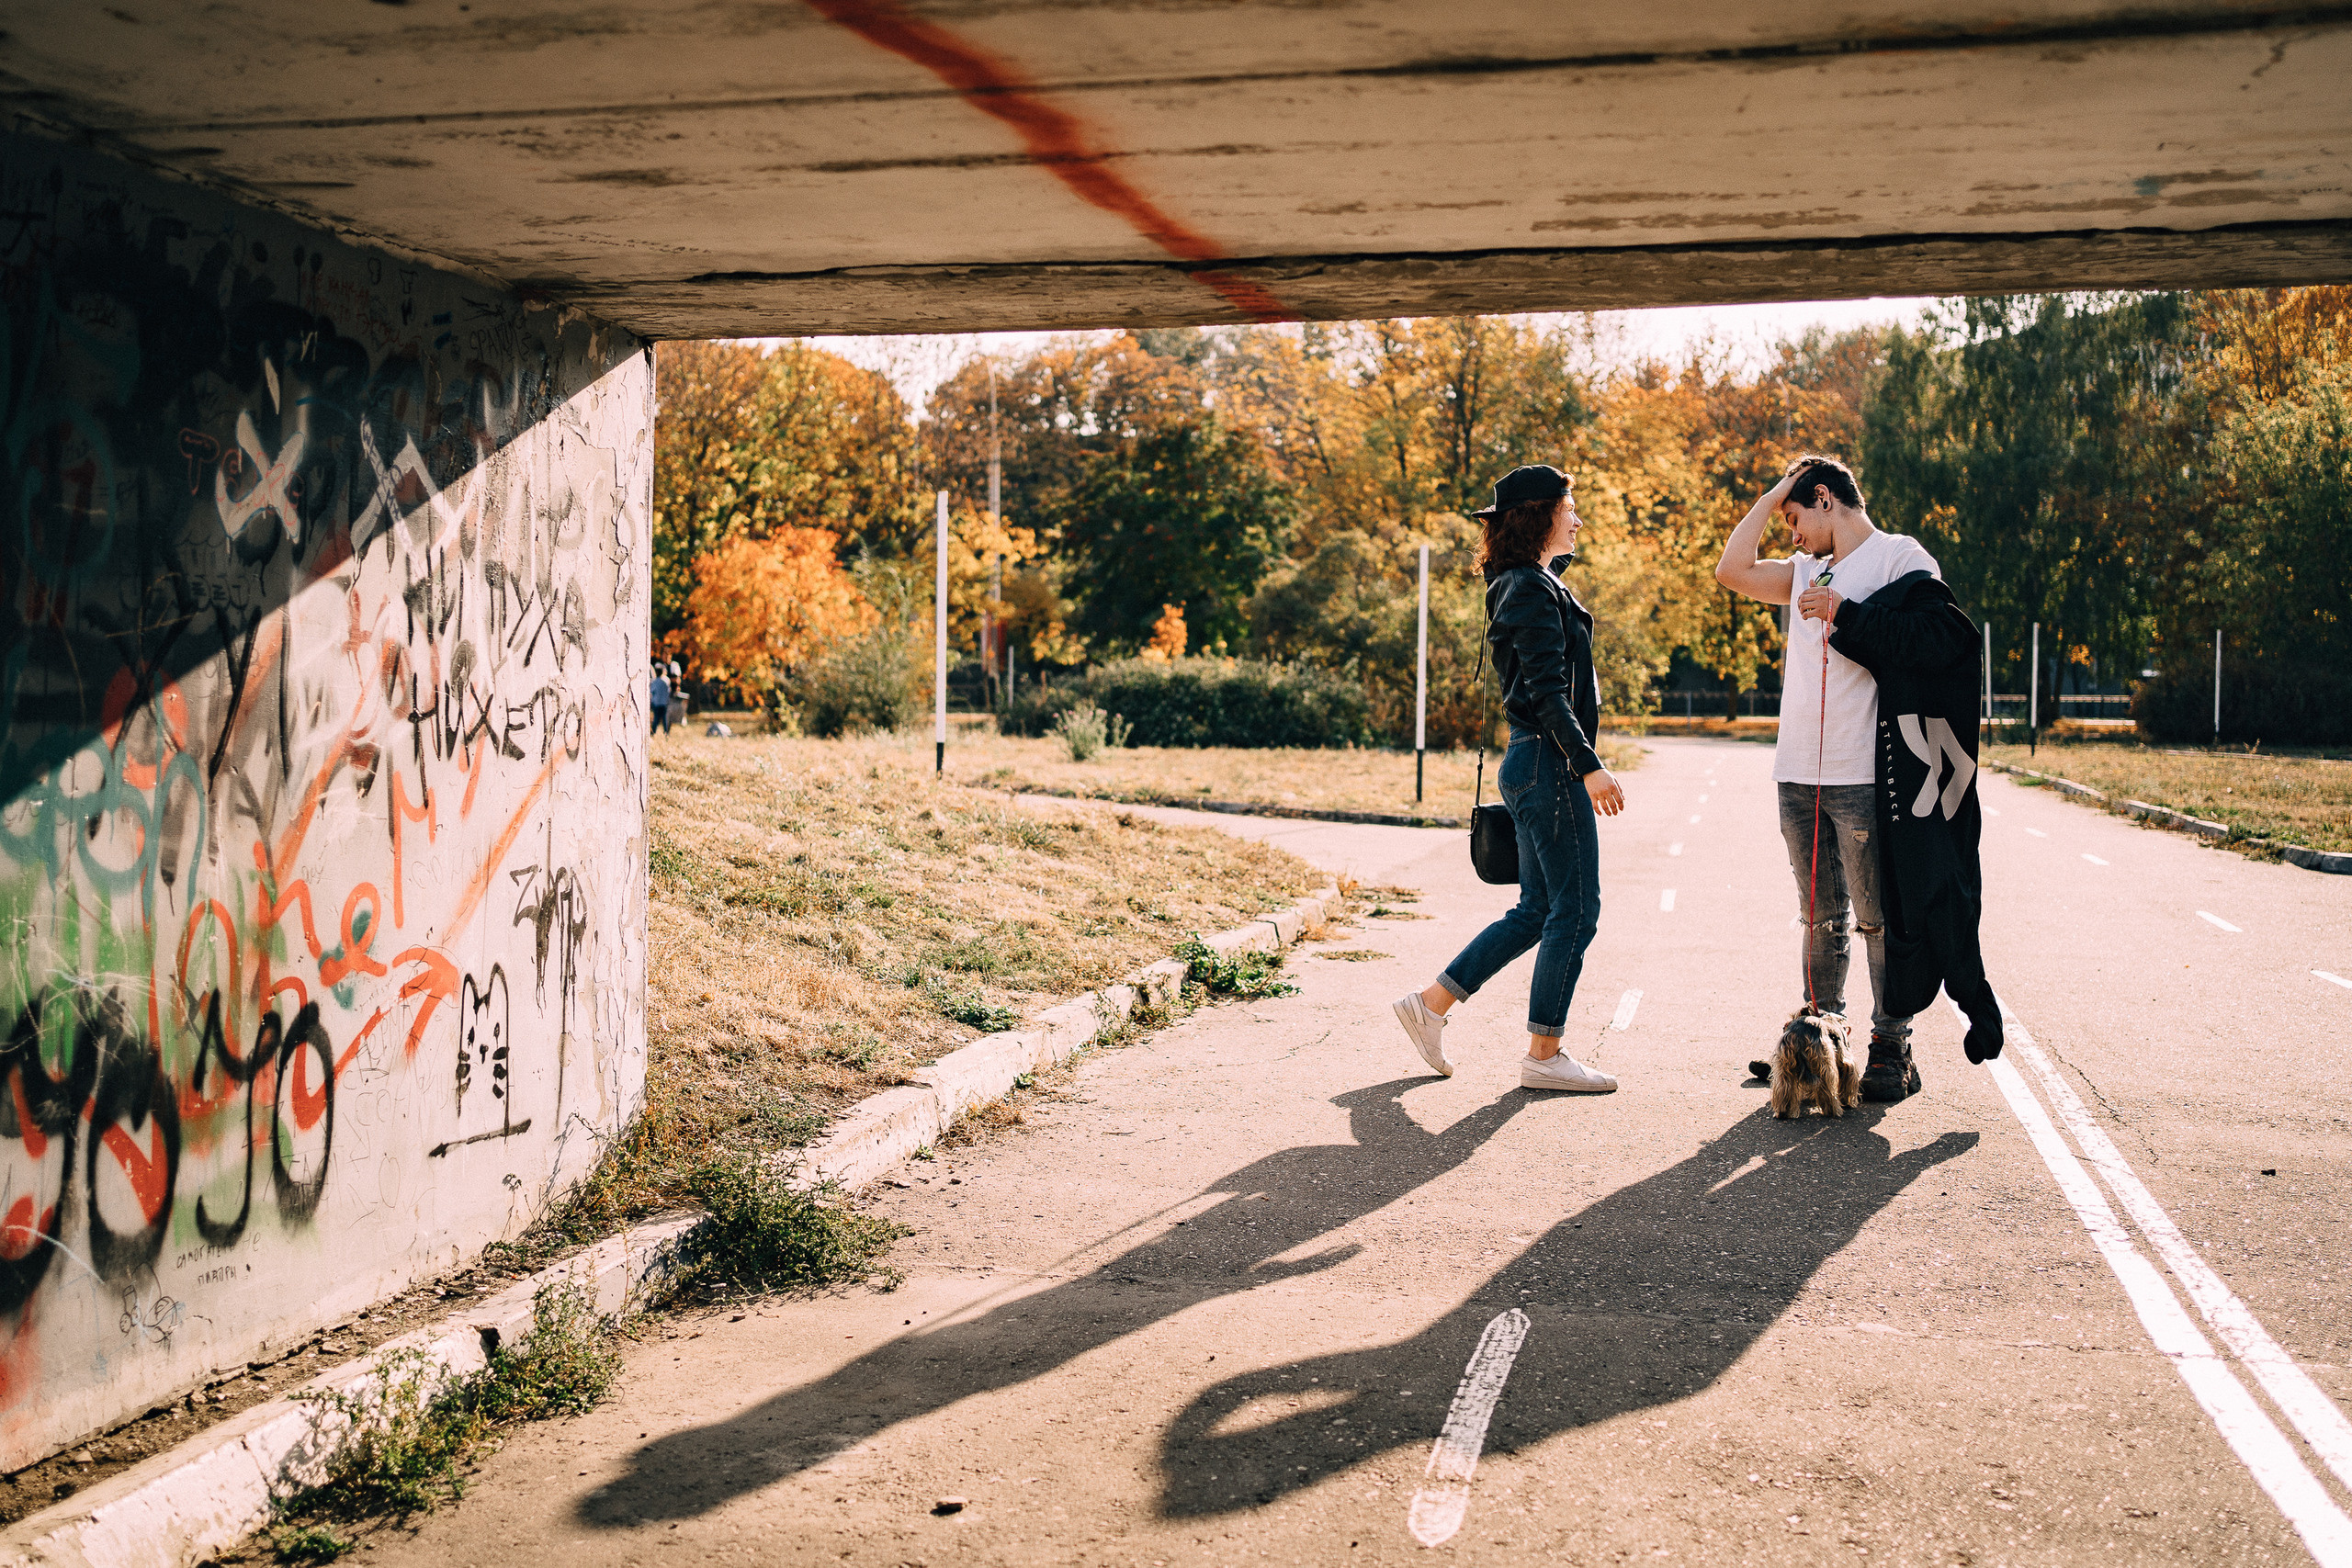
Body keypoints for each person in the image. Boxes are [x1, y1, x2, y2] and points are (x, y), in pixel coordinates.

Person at [1392, 464, 1626, 1094]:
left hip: (1533, 761)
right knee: (1575, 912)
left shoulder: (1528, 582)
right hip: (1548, 763)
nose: (1577, 519)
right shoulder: (1526, 588)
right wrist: (1590, 765)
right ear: (1540, 515)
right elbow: (1550, 695)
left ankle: (1429, 1004)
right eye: (1568, 509)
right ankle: (1544, 1053)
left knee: (1537, 911)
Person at [1713, 455, 1939, 1101]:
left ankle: (1891, 1045)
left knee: (1874, 918)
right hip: (1797, 773)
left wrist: (1846, 611)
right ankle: (1820, 1044)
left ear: (1826, 499)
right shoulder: (1804, 570)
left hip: (1862, 771)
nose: (1790, 535)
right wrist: (1773, 492)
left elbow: (1930, 633)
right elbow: (1731, 570)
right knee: (1818, 919)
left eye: (1793, 518)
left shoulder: (1900, 557)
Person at [650, 663, 672, 735]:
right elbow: (669, 691)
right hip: (664, 702)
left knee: (656, 718)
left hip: (656, 702)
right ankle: (666, 732)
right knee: (664, 718)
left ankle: (653, 731)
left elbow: (651, 690)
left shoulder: (655, 682)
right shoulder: (666, 681)